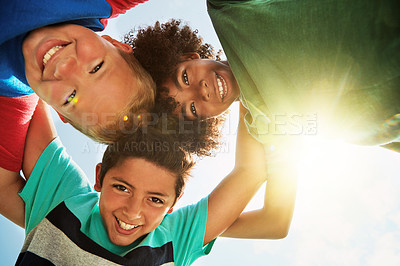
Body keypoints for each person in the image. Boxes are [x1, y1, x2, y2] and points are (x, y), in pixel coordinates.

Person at [0, 99, 296, 265]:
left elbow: (250, 172)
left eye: (155, 199)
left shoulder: (173, 239)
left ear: (172, 205)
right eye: (122, 187)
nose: (132, 212)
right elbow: (29, 88)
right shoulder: (64, 201)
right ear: (100, 176)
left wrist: (250, 89)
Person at [0, 0, 155, 177]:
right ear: (117, 44)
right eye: (97, 67)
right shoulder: (97, 4)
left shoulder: (10, 99)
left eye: (70, 97)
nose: (64, 67)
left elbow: (4, 187)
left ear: (58, 112)